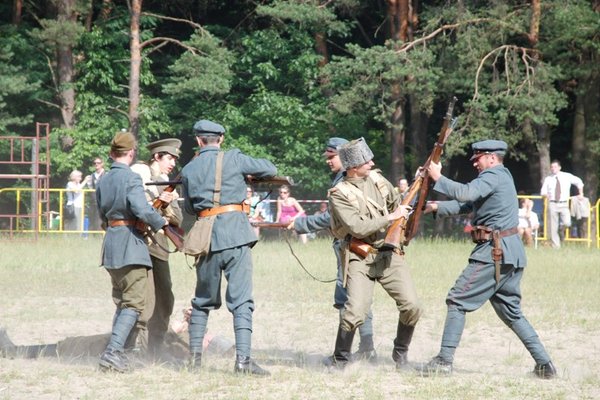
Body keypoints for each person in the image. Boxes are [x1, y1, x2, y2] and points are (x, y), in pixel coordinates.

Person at [421, 139, 556, 379]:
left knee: (457, 300)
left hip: (494, 252)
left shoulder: (493, 175)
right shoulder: (499, 177)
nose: (475, 163)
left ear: (492, 158)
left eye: (478, 158)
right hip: (510, 252)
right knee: (512, 313)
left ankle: (443, 361)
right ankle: (545, 365)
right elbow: (469, 204)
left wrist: (438, 177)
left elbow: (466, 192)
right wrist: (434, 207)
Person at [181, 119, 277, 376]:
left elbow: (190, 208)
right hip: (235, 235)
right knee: (242, 301)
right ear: (220, 139)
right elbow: (269, 168)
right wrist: (246, 176)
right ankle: (243, 362)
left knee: (202, 301)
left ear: (199, 141)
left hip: (206, 239)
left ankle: (194, 361)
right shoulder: (233, 158)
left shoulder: (189, 169)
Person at [326, 137, 422, 370]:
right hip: (361, 257)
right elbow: (357, 227)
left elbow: (399, 202)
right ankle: (340, 361)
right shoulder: (339, 193)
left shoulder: (378, 180)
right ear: (353, 167)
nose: (371, 163)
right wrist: (390, 217)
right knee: (355, 312)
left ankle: (400, 355)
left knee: (412, 306)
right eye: (365, 160)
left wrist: (419, 183)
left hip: (389, 254)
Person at [290, 137, 378, 363]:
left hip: (351, 247)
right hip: (351, 245)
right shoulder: (346, 178)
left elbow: (333, 217)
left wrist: (301, 224)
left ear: (346, 156)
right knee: (357, 298)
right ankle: (366, 348)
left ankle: (343, 355)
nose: (328, 161)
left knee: (347, 299)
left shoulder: (346, 182)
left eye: (332, 157)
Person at [95, 131, 168, 373]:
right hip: (131, 246)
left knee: (122, 303)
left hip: (111, 246)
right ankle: (113, 352)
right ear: (131, 153)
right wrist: (162, 223)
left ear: (111, 153)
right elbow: (140, 208)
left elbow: (102, 215)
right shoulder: (132, 178)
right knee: (135, 304)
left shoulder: (102, 179)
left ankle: (120, 353)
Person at [129, 139, 183, 359]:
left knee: (166, 299)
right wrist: (157, 202)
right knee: (146, 301)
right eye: (169, 158)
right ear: (156, 157)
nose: (172, 164)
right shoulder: (140, 177)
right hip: (142, 243)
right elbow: (138, 211)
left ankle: (156, 349)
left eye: (174, 160)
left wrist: (167, 203)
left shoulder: (165, 182)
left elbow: (178, 219)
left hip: (160, 246)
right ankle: (140, 350)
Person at [540, 160, 584, 248]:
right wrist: (546, 194)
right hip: (553, 203)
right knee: (553, 226)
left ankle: (561, 229)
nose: (553, 169)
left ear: (559, 167)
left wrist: (581, 193)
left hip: (564, 203)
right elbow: (543, 191)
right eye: (552, 167)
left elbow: (579, 182)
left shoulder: (566, 176)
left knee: (567, 223)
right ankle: (556, 246)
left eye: (555, 167)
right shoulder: (548, 179)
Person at [84, 157, 106, 231]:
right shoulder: (91, 176)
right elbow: (90, 188)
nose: (96, 164)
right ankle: (92, 237)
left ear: (102, 164)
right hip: (93, 202)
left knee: (100, 221)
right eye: (95, 163)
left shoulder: (106, 175)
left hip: (103, 202)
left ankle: (100, 237)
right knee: (92, 220)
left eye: (98, 163)